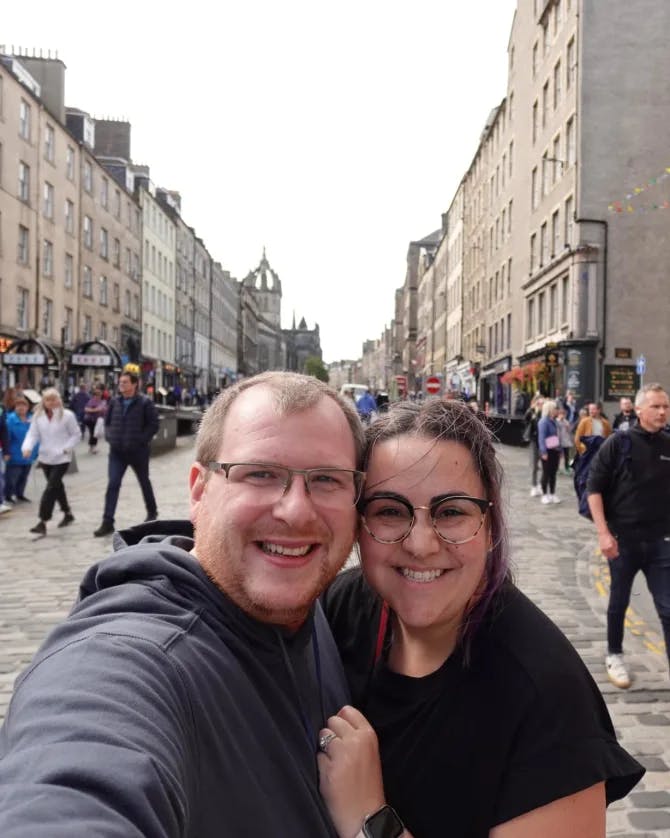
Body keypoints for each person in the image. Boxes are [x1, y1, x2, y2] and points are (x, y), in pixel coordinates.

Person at [0, 371, 366, 836]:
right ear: (199, 490)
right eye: (260, 474)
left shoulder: (310, 599)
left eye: (327, 479)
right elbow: (74, 777)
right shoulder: (125, 660)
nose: (295, 510)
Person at [321, 399, 644, 838]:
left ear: (490, 524)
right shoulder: (342, 609)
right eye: (389, 511)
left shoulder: (546, 700)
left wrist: (369, 820)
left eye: (451, 512)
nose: (420, 544)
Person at [587, 382, 670, 689]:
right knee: (619, 600)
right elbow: (594, 489)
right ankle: (614, 654)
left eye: (666, 406)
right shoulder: (618, 443)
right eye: (656, 406)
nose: (662, 411)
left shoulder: (667, 445)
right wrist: (603, 534)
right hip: (623, 540)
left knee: (667, 607)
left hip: (661, 541)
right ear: (639, 410)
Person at [93, 372, 159, 537]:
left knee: (144, 481)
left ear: (134, 384)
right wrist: (110, 437)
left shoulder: (144, 403)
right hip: (117, 452)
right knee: (113, 484)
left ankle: (152, 512)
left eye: (125, 382)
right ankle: (107, 521)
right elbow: (107, 422)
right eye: (120, 382)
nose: (121, 385)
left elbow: (154, 424)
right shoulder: (115, 401)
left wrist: (141, 440)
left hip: (138, 451)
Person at [21, 388, 80, 535]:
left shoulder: (67, 416)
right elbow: (32, 434)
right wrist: (27, 448)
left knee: (50, 488)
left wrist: (67, 448)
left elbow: (76, 434)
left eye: (54, 399)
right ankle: (68, 513)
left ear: (59, 400)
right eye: (48, 399)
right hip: (46, 457)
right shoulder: (38, 416)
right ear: (44, 402)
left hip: (62, 458)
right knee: (57, 487)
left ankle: (43, 520)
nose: (52, 402)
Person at [4, 395, 38, 503]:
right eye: (18, 406)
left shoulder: (32, 419)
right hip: (14, 453)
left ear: (27, 407)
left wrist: (36, 451)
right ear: (15, 407)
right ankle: (7, 496)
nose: (21, 408)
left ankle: (20, 494)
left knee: (24, 477)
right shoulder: (9, 420)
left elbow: (37, 436)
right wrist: (7, 452)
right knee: (11, 477)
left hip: (28, 454)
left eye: (23, 406)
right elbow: (6, 438)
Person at [537, 399, 562, 504]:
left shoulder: (555, 421)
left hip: (555, 449)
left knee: (553, 473)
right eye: (555, 408)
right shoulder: (543, 421)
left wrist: (560, 450)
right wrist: (543, 452)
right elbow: (541, 438)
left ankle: (552, 493)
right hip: (547, 450)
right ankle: (544, 494)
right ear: (550, 409)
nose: (557, 410)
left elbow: (557, 436)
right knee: (546, 473)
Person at [523, 395, 543, 496]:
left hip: (544, 442)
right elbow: (525, 420)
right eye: (538, 403)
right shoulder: (531, 412)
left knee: (544, 466)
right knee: (535, 465)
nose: (540, 405)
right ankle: (534, 485)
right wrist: (532, 410)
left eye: (542, 403)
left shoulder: (544, 413)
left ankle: (541, 484)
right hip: (535, 441)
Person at [82, 385, 107, 454]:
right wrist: (96, 410)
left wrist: (104, 410)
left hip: (97, 420)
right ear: (94, 395)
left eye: (99, 395)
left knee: (94, 433)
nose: (98, 396)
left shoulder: (102, 401)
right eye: (97, 395)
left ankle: (91, 447)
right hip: (90, 420)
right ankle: (93, 448)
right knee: (94, 433)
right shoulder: (92, 401)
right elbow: (86, 409)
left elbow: (105, 410)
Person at [555, 406, 574, 475]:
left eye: (563, 414)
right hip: (558, 441)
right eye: (561, 414)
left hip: (565, 441)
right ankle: (557, 468)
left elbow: (569, 431)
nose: (562, 416)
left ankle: (566, 468)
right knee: (558, 456)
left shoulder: (566, 422)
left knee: (567, 455)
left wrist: (568, 427)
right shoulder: (556, 421)